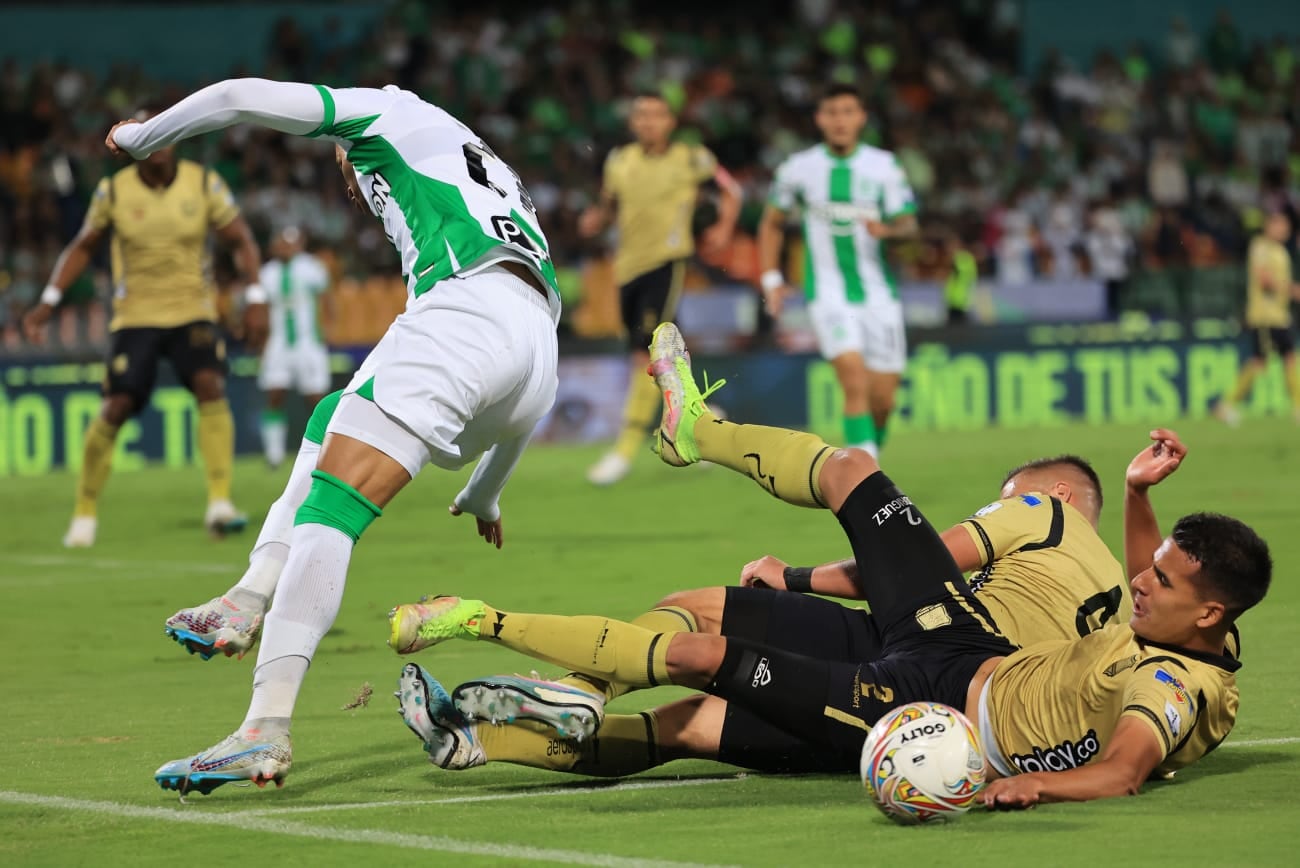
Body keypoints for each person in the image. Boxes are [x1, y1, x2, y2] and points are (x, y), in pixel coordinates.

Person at [390, 323, 1269, 807]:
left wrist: (797, 576)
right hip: (948, 652)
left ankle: (502, 647)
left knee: (704, 638)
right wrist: (1137, 495)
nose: (1145, 580)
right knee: (692, 703)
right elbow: (1151, 578)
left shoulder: (1057, 532)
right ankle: (537, 710)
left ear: (1055, 495)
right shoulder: (1137, 607)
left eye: (1010, 492)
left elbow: (1125, 763)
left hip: (928, 687)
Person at [104, 77, 563, 795]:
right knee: (333, 417)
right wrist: (486, 494)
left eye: (345, 169)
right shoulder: (487, 172)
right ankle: (248, 595)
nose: (349, 184)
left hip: (466, 310)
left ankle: (264, 727)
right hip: (537, 350)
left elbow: (238, 96)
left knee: (332, 509)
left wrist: (143, 137)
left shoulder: (383, 113)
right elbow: (524, 383)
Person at [22, 102, 267, 547]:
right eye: (147, 135)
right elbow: (83, 246)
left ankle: (219, 502)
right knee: (115, 406)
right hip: (135, 316)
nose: (158, 144)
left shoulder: (203, 182)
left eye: (164, 133)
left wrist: (255, 297)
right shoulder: (114, 191)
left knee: (210, 384)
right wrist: (49, 300)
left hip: (193, 310)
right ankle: (84, 513)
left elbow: (241, 239)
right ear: (133, 145)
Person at [579, 92, 742, 486]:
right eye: (642, 115)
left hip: (666, 263)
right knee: (665, 358)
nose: (649, 122)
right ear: (633, 122)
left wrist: (723, 228)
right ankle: (706, 423)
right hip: (626, 269)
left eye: (657, 115)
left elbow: (732, 190)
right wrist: (595, 220)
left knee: (647, 355)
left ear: (671, 122)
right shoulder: (619, 161)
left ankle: (624, 450)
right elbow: (608, 206)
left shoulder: (691, 158)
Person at [758, 84, 918, 458]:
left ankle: (867, 459)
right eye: (832, 112)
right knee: (853, 380)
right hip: (827, 294)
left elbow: (909, 224)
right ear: (819, 119)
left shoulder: (884, 167)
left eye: (848, 112)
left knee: (883, 401)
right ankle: (867, 480)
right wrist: (771, 277)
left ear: (861, 117)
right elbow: (771, 222)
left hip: (879, 296)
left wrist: (889, 230)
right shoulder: (798, 168)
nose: (840, 120)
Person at [257, 226, 335, 468]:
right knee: (274, 394)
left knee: (316, 399)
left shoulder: (311, 268)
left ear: (299, 244)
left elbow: (327, 300)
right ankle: (274, 454)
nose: (285, 248)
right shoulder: (267, 273)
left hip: (307, 341)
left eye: (290, 243)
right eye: (282, 243)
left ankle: (325, 451)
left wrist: (328, 329)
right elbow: (260, 309)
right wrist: (260, 340)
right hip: (278, 341)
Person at [1214, 211, 1300, 425]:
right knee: (1261, 362)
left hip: (1279, 315)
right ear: (1269, 225)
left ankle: (1298, 407)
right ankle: (1225, 404)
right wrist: (1291, 290)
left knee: (1288, 358)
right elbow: (1264, 280)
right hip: (1265, 316)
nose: (1284, 230)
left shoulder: (1280, 250)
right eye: (1281, 225)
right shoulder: (1261, 247)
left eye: (1287, 227)